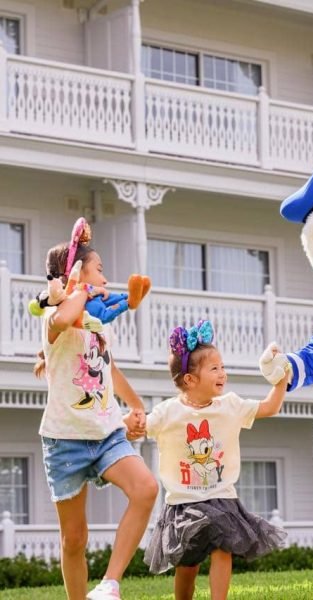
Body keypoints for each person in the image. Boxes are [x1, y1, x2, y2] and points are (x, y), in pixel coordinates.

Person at [34, 221, 159, 600]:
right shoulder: (52, 320)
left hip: (106, 433)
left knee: (146, 488)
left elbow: (109, 368)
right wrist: (76, 289)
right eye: (99, 269)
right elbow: (63, 318)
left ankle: (109, 583)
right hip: (64, 440)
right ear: (76, 272)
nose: (106, 276)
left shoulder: (101, 325)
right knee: (74, 539)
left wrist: (136, 406)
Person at [137, 320, 288, 600]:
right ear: (190, 380)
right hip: (183, 502)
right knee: (187, 566)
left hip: (221, 497)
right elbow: (140, 426)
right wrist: (126, 422)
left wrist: (281, 379)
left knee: (223, 547)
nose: (223, 374)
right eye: (214, 368)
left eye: (223, 367)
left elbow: (271, 406)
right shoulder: (167, 412)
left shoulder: (230, 405)